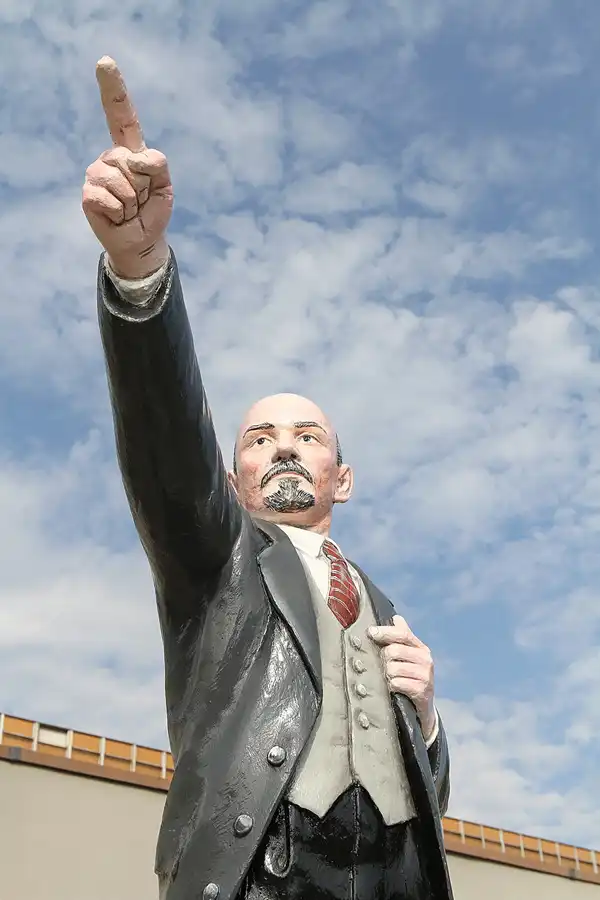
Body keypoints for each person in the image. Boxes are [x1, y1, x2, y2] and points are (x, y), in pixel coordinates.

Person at [83, 57, 454, 900]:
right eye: (260, 438)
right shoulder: (217, 561)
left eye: (307, 436)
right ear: (232, 472)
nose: (284, 448)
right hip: (263, 874)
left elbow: (427, 796)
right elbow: (165, 445)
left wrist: (428, 725)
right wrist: (141, 277)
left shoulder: (382, 605)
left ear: (343, 476)